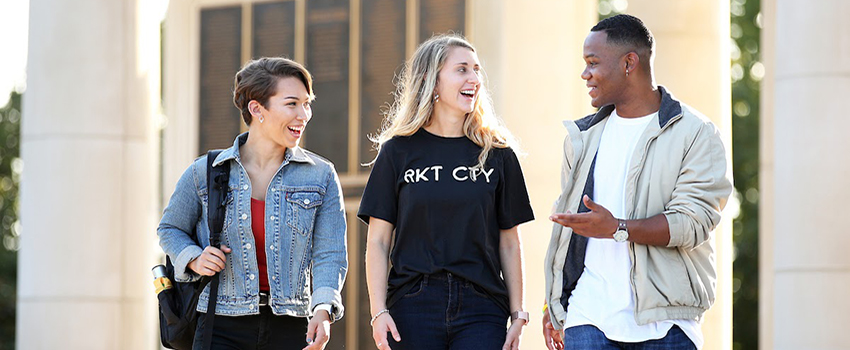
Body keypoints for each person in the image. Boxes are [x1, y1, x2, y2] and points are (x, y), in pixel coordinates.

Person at [541, 14, 733, 350]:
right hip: (588, 316)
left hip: (668, 323)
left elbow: (693, 223)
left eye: (593, 63)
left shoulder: (696, 134)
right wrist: (553, 302)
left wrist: (617, 227)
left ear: (630, 63)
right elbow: (569, 233)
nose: (585, 74)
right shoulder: (581, 138)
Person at [157, 57, 348, 350]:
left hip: (292, 324)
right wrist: (194, 258)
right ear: (257, 108)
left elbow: (330, 252)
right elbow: (170, 229)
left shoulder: (320, 175)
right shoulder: (205, 172)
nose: (304, 114)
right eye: (292, 103)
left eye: (307, 103)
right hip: (219, 322)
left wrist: (323, 309)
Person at [358, 34, 535, 350]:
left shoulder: (497, 154)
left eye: (476, 70)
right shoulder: (396, 152)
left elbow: (510, 242)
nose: (474, 79)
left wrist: (518, 313)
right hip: (412, 305)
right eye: (462, 69)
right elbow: (378, 241)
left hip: (482, 307)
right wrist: (378, 311)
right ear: (431, 80)